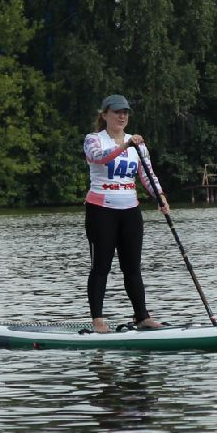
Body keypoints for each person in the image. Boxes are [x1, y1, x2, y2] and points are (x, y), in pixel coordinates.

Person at [82, 94, 169, 333]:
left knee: (132, 267)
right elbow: (97, 157)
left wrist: (159, 196)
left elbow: (147, 174)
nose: (122, 116)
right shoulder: (94, 139)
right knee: (101, 266)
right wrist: (124, 146)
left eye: (126, 113)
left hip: (130, 210)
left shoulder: (137, 143)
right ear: (105, 115)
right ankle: (98, 320)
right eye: (117, 112)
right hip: (101, 210)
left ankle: (142, 316)